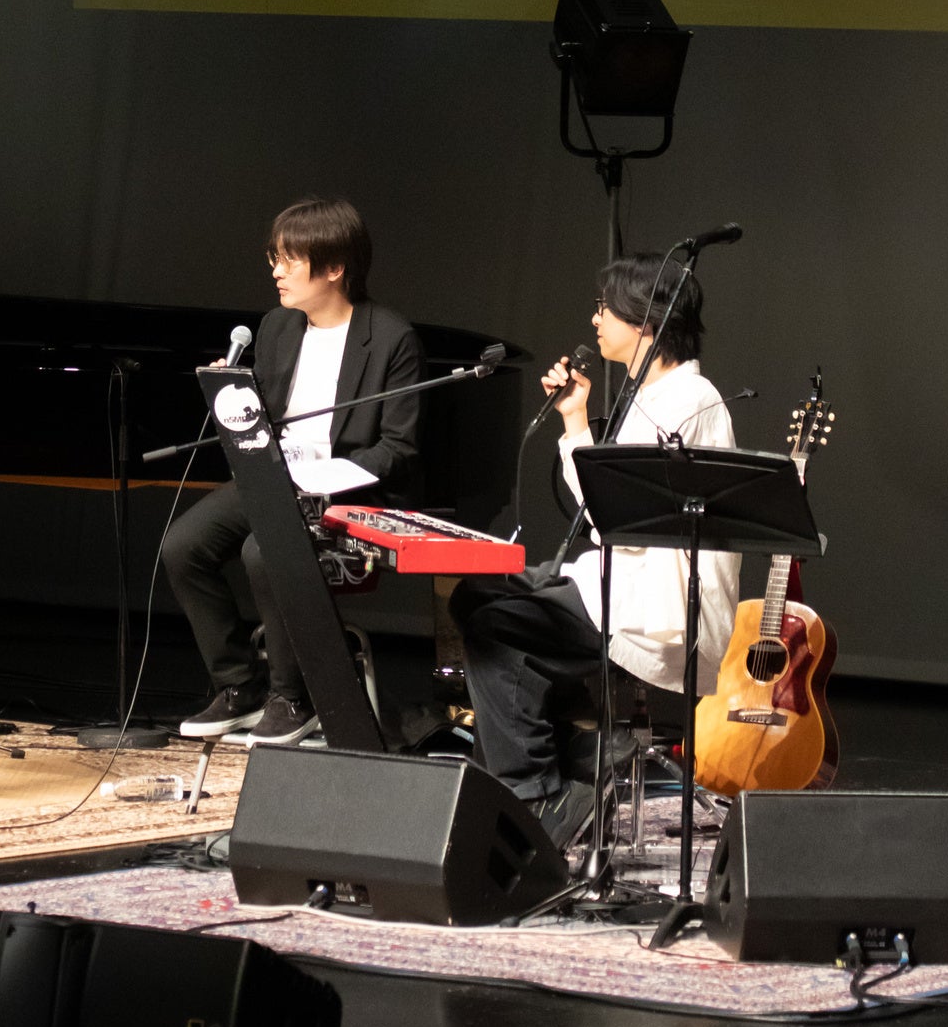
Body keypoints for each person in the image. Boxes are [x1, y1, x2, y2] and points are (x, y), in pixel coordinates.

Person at [451, 252, 739, 837]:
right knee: (473, 594)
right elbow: (601, 505)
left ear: (646, 321)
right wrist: (575, 418)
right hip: (611, 579)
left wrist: (583, 440)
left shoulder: (688, 399)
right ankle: (577, 753)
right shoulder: (651, 394)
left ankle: (539, 795)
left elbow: (617, 518)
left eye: (605, 308)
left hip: (652, 605)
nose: (594, 320)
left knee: (494, 627)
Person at [163, 196, 423, 750]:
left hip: (345, 488)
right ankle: (239, 685)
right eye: (274, 258)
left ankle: (293, 697)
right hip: (275, 476)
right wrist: (233, 398)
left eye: (288, 260)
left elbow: (398, 448)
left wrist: (325, 475)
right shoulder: (277, 327)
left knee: (265, 550)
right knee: (182, 547)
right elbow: (263, 420)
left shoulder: (390, 337)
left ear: (333, 268)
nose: (276, 271)